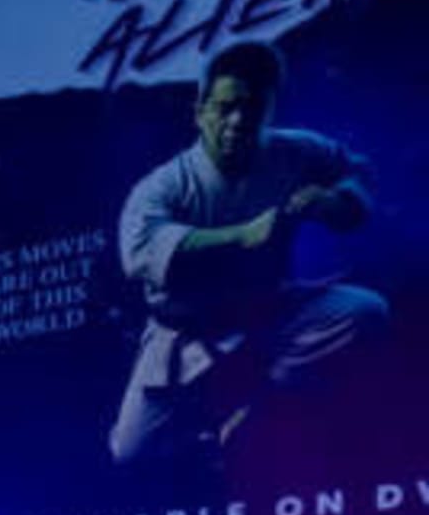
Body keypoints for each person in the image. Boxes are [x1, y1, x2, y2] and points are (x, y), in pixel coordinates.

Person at [107, 38, 386, 464]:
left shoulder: (294, 150)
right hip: (187, 335)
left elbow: (355, 171)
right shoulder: (162, 186)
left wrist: (335, 202)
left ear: (269, 110)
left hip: (268, 312)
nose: (238, 120)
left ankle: (264, 398)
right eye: (225, 107)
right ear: (200, 112)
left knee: (366, 310)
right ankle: (211, 420)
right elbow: (139, 252)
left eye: (252, 107)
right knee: (131, 454)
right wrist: (238, 235)